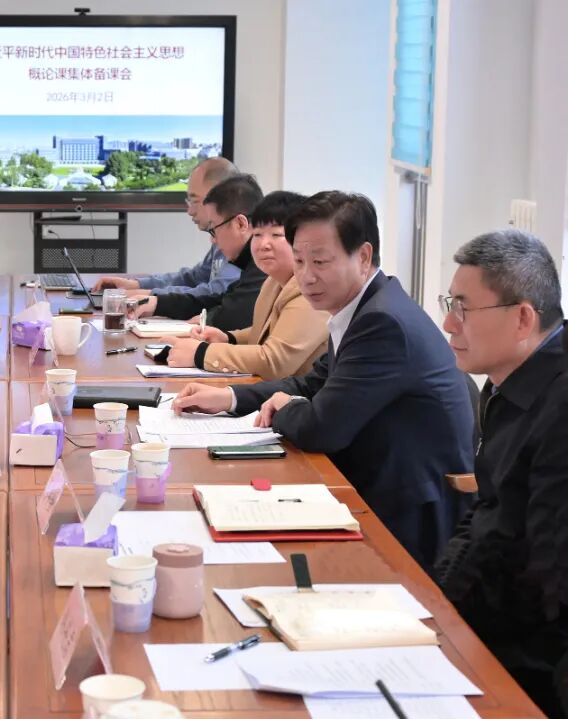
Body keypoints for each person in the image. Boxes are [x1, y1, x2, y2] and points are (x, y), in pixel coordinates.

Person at [173, 191, 473, 570]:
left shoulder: (382, 321)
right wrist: (230, 398)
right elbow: (312, 384)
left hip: (405, 513)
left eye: (320, 261)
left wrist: (286, 408)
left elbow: (322, 429)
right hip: (374, 485)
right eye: (299, 261)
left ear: (363, 256)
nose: (306, 276)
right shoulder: (364, 305)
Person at [433, 230, 568, 717]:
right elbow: (488, 510)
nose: (449, 323)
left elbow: (550, 583)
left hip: (533, 664)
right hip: (487, 625)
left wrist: (450, 626)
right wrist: (436, 599)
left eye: (463, 308)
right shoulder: (504, 383)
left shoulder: (559, 407)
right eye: (450, 303)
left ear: (523, 318)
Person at [158, 191, 329, 379]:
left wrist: (201, 354)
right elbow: (267, 332)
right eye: (257, 234)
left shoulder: (311, 289)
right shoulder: (273, 281)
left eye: (276, 234)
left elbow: (275, 361)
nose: (263, 244)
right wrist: (228, 338)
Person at [130, 174, 267, 330]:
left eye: (213, 229)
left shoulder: (264, 265)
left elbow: (231, 316)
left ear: (240, 224)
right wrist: (157, 303)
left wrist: (207, 320)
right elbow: (219, 300)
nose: (213, 240)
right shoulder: (249, 264)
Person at [93, 156, 240, 298]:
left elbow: (217, 292)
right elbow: (195, 278)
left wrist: (148, 296)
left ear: (219, 198)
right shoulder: (220, 237)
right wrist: (136, 285)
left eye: (194, 201)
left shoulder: (237, 240)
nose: (190, 211)